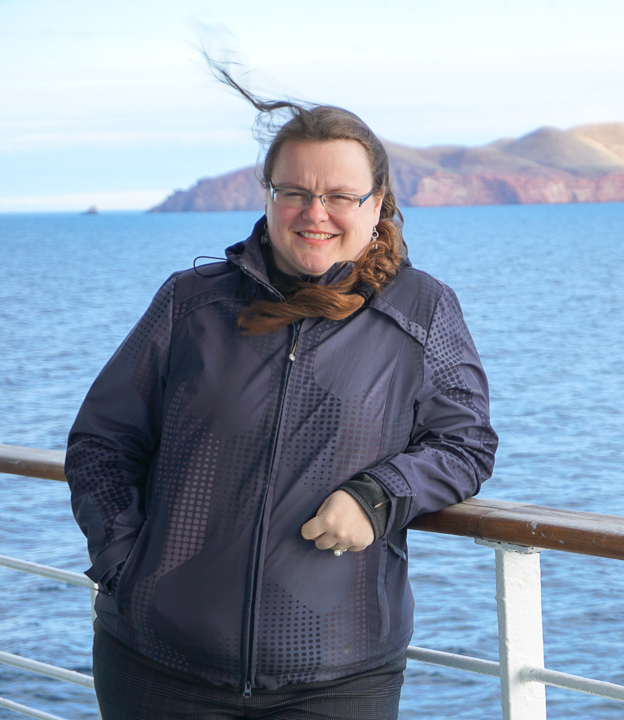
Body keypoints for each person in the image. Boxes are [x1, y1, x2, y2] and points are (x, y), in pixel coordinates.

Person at [65, 83, 497, 719]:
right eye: (294, 192)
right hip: (156, 667)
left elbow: (466, 445)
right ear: (268, 197)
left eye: (340, 196)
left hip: (337, 678)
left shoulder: (422, 310)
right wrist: (125, 567)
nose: (314, 212)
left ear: (377, 205)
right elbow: (103, 442)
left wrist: (378, 495)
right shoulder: (192, 303)